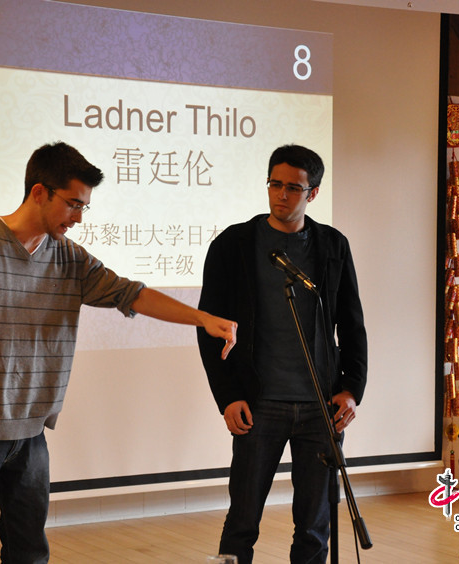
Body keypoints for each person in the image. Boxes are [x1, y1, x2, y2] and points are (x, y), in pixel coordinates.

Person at [0, 141, 237, 563]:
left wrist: (202, 318)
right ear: (40, 192)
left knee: (29, 552)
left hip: (30, 434)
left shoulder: (69, 259)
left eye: (85, 208)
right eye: (72, 205)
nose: (78, 218)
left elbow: (129, 294)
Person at [196, 144, 367, 563]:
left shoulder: (331, 245)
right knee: (243, 519)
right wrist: (228, 396)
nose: (281, 195)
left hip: (320, 406)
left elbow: (352, 323)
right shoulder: (233, 244)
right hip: (259, 404)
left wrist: (350, 389)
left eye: (294, 187)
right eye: (275, 184)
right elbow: (208, 328)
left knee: (314, 525)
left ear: (314, 193)